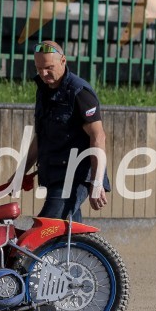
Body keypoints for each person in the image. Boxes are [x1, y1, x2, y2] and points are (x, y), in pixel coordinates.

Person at [23, 40, 109, 222]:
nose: (44, 74)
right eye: (39, 69)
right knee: (68, 234)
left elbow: (98, 136)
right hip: (55, 173)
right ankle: (86, 251)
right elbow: (42, 137)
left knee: (45, 230)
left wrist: (97, 182)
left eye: (49, 67)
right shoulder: (44, 90)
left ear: (63, 61)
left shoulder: (79, 92)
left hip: (75, 175)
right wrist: (21, 172)